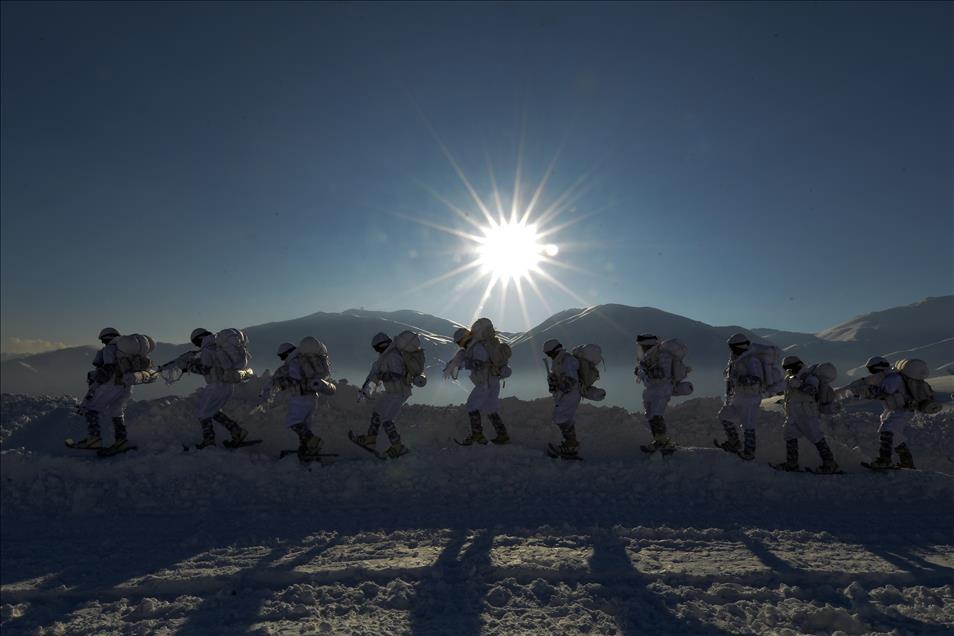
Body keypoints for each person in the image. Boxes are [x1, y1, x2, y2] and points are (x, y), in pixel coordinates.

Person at [352, 332, 425, 458]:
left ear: (381, 346)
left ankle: (398, 447)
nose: (377, 351)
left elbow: (397, 374)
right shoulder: (387, 356)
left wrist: (381, 376)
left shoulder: (393, 356)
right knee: (377, 413)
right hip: (392, 392)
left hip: (399, 393)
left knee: (387, 419)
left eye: (377, 348)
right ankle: (370, 440)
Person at [260, 340, 334, 459]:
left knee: (293, 422)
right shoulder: (304, 360)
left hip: (301, 397)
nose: (282, 359)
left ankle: (314, 441)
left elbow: (295, 380)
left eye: (282, 356)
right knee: (305, 425)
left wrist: (283, 383)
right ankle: (306, 449)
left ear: (287, 353)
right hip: (312, 396)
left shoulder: (294, 362)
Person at [444, 320, 511, 446]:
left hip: (485, 383)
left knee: (471, 406)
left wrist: (463, 365)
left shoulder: (477, 347)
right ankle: (502, 435)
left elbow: (480, 363)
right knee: (490, 408)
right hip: (493, 381)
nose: (460, 346)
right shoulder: (478, 346)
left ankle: (477, 435)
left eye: (459, 343)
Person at [773, 355, 839, 473]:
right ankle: (792, 463)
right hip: (793, 414)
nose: (788, 370)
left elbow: (812, 390)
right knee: (789, 436)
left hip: (807, 414)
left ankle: (830, 463)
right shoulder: (792, 377)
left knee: (816, 437)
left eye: (789, 368)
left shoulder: (809, 377)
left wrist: (799, 385)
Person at [190, 327, 249, 448]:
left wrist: (189, 366)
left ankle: (209, 442)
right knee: (213, 411)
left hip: (216, 386)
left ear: (199, 339)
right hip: (227, 385)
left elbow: (205, 369)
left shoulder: (207, 349)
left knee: (203, 414)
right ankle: (237, 431)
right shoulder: (219, 347)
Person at [74, 327, 131, 450]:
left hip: (111, 386)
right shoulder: (126, 351)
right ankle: (122, 441)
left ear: (107, 338)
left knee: (91, 408)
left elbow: (109, 369)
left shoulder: (109, 350)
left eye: (103, 340)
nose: (102, 343)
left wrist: (96, 382)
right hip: (126, 386)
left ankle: (94, 439)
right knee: (117, 412)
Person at [716, 333, 765, 460]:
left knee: (748, 424)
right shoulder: (735, 360)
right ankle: (734, 443)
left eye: (733, 347)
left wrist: (739, 379)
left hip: (750, 398)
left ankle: (749, 452)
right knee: (724, 416)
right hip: (738, 397)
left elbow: (757, 380)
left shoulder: (752, 360)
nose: (731, 349)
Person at [862, 356, 917, 469]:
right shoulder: (889, 377)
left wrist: (868, 389)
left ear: (879, 368)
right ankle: (907, 462)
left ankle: (885, 460)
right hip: (897, 410)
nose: (871, 373)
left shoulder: (892, 379)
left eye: (872, 370)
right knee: (895, 436)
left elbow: (884, 392)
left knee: (886, 430)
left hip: (902, 410)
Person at [634, 333, 675, 452]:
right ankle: (659, 440)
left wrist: (643, 371)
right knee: (651, 416)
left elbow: (661, 375)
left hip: (661, 390)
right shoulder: (648, 356)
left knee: (656, 415)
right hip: (652, 390)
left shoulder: (663, 356)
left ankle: (663, 442)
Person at [544, 338, 582, 458]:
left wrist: (559, 385)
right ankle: (570, 445)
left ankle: (571, 445)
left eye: (549, 353)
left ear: (554, 350)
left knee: (560, 416)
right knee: (564, 417)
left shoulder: (567, 360)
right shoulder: (559, 361)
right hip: (566, 394)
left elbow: (571, 380)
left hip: (571, 394)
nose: (549, 356)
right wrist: (553, 382)